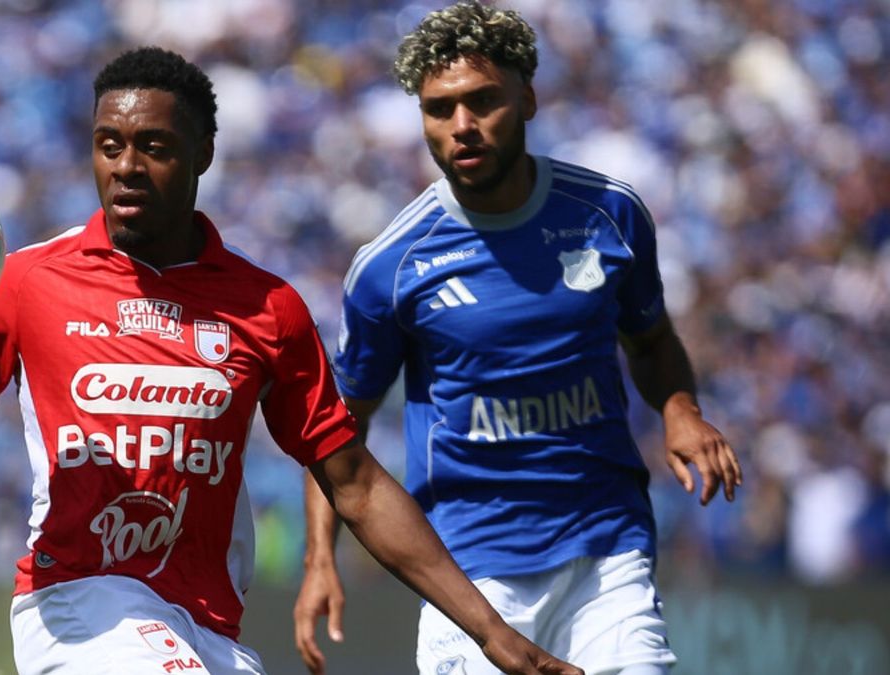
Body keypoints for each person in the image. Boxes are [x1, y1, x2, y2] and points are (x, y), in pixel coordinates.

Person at [0, 47, 582, 675]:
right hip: (77, 600)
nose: (125, 165)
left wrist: (494, 633)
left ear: (203, 152)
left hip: (206, 623)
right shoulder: (32, 284)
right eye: (108, 144)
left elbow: (356, 484)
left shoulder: (267, 308)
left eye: (154, 145)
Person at [293, 3, 743, 675]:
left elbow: (650, 341)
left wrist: (680, 409)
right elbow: (336, 431)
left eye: (482, 101)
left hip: (605, 553)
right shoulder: (391, 266)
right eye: (439, 110)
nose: (462, 127)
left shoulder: (610, 215)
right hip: (467, 573)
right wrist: (320, 558)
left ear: (528, 96)